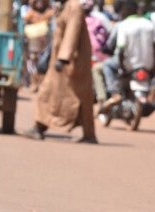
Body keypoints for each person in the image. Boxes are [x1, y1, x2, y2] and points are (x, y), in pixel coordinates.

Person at [21, 0, 98, 144]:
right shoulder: (66, 7)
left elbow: (72, 32)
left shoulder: (74, 7)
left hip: (70, 62)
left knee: (50, 93)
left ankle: (39, 127)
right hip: (68, 61)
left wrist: (63, 58)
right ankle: (40, 127)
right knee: (76, 98)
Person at [101, 0, 155, 115]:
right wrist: (154, 67)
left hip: (129, 65)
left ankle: (114, 93)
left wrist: (123, 68)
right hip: (148, 65)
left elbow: (121, 51)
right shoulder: (150, 24)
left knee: (107, 64)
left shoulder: (124, 25)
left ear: (125, 11)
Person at [23, 0, 54, 92]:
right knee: (32, 61)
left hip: (44, 44)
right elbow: (25, 23)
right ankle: (33, 81)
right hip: (33, 43)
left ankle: (40, 83)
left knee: (44, 62)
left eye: (42, 2)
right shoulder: (30, 13)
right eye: (38, 2)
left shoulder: (49, 14)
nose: (40, 4)